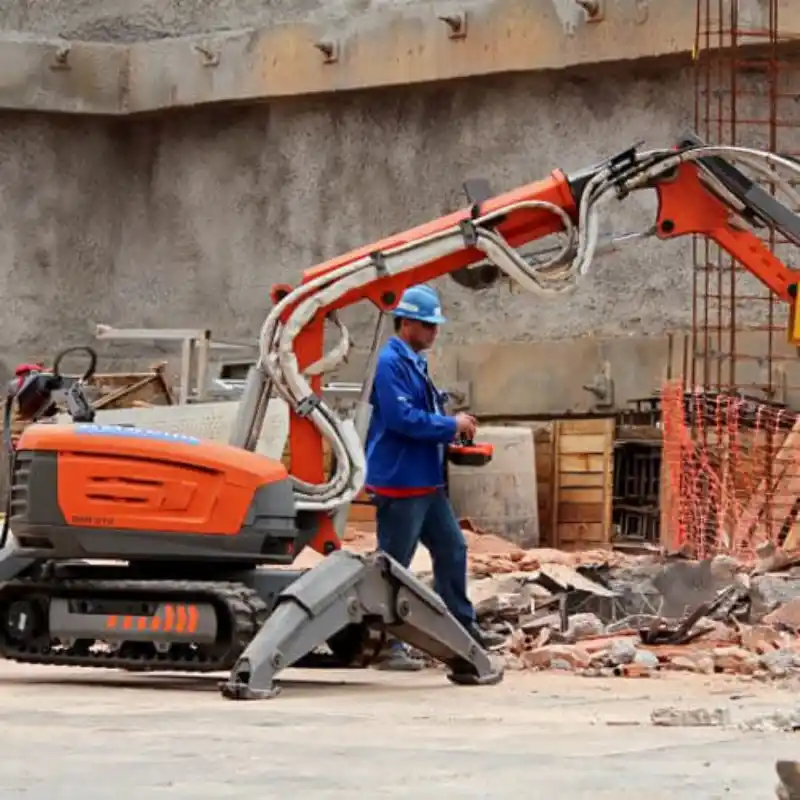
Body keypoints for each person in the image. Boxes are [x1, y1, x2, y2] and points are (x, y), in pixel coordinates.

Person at [365, 283, 505, 671]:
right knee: (394, 564)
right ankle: (387, 645)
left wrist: (450, 425)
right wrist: (449, 424)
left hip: (424, 480)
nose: (434, 332)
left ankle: (462, 629)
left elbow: (420, 412)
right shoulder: (390, 363)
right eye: (428, 325)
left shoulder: (413, 360)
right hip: (401, 481)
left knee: (452, 549)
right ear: (407, 322)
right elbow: (401, 419)